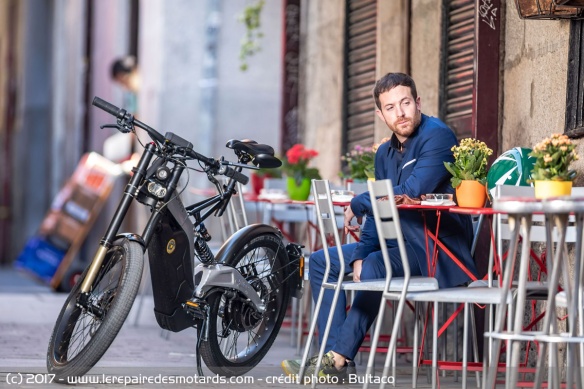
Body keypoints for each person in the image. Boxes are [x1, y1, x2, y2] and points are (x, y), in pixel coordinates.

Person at [281, 72, 478, 381]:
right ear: (380, 114)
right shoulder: (385, 153)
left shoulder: (438, 137)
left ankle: (337, 359)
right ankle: (334, 359)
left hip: (434, 248)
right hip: (396, 244)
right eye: (390, 107)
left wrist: (358, 203)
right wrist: (359, 252)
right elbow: (378, 212)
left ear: (417, 102)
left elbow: (408, 194)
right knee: (322, 262)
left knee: (374, 266)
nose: (400, 113)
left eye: (405, 103)